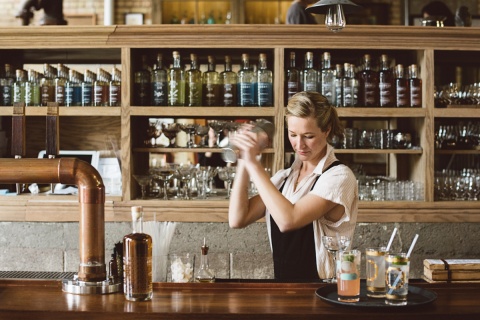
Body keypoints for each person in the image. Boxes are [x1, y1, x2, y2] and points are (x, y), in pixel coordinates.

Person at [228, 91, 358, 281]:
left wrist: (253, 162)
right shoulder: (284, 178)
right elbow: (237, 219)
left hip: (323, 291)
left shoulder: (339, 177)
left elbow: (289, 220)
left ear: (327, 130)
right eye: (293, 134)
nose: (299, 144)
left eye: (308, 136)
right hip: (283, 288)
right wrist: (244, 160)